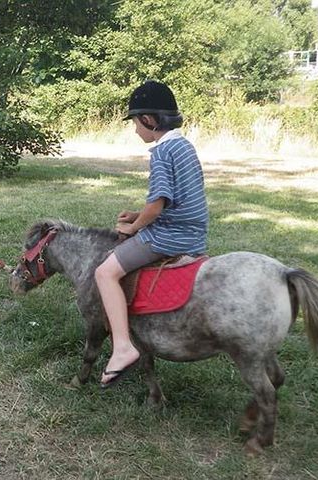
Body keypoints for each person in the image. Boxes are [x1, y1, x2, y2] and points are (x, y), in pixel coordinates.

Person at [95, 80, 209, 388]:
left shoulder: (161, 151)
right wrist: (138, 214)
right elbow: (173, 199)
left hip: (170, 236)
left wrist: (133, 227)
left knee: (105, 272)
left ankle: (122, 347)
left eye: (135, 122)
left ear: (148, 119)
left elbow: (157, 206)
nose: (135, 130)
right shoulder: (183, 145)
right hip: (194, 232)